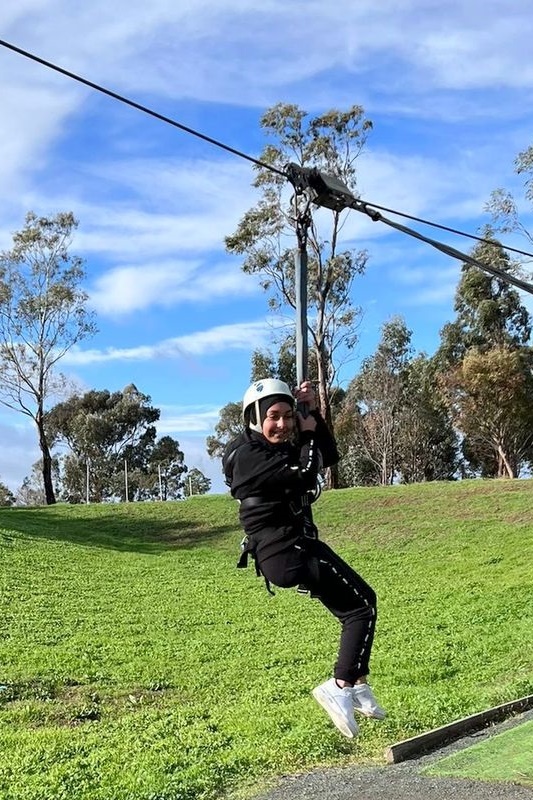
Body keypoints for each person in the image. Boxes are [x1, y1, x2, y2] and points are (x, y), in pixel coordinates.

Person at [222, 377, 386, 739]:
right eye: (274, 417)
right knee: (362, 607)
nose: (282, 425)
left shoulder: (268, 447)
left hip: (293, 547)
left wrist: (310, 413)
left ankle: (356, 683)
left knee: (356, 607)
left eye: (287, 417)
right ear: (254, 417)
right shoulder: (248, 455)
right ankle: (340, 686)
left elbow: (328, 456)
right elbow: (305, 472)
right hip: (287, 550)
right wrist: (307, 435)